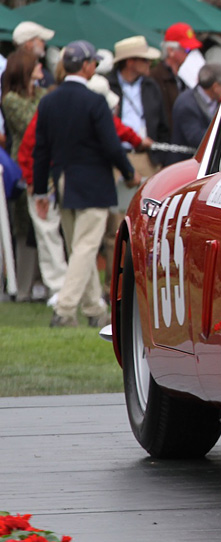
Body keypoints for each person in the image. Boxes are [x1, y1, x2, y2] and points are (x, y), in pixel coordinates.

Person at [32, 40, 139, 328]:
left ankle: (94, 310)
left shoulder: (48, 101)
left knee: (81, 248)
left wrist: (41, 191)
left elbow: (40, 150)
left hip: (60, 182)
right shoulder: (94, 101)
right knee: (84, 247)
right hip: (91, 181)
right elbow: (112, 146)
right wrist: (129, 173)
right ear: (87, 66)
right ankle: (65, 310)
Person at [1, 49, 49, 302]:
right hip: (22, 165)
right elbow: (33, 123)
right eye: (35, 63)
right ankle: (22, 288)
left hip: (44, 162)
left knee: (43, 226)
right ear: (25, 68)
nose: (40, 66)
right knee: (23, 228)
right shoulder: (10, 99)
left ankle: (43, 285)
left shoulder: (43, 95)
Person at [106, 35, 170, 175]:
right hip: (116, 159)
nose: (150, 63)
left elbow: (163, 126)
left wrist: (160, 159)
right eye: (145, 60)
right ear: (130, 62)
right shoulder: (107, 86)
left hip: (148, 159)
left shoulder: (151, 86)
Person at [171, 63, 221, 160]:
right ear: (215, 87)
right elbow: (198, 139)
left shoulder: (217, 100)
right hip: (187, 165)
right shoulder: (186, 105)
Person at [151, 22, 204, 126]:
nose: (189, 54)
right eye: (187, 49)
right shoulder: (155, 77)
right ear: (170, 50)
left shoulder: (181, 76)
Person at [11, 21, 56, 89]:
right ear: (29, 44)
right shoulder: (11, 74)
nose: (44, 44)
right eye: (42, 40)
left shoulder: (45, 76)